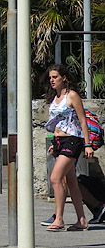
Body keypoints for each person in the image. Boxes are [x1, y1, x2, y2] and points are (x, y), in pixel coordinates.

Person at [44, 66, 93, 231]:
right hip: (58, 141)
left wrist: (88, 144)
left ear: (63, 78)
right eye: (50, 77)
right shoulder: (54, 98)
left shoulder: (71, 96)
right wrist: (53, 144)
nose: (52, 80)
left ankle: (59, 218)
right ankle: (82, 220)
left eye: (55, 77)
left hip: (72, 140)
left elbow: (82, 120)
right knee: (70, 181)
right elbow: (55, 122)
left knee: (55, 178)